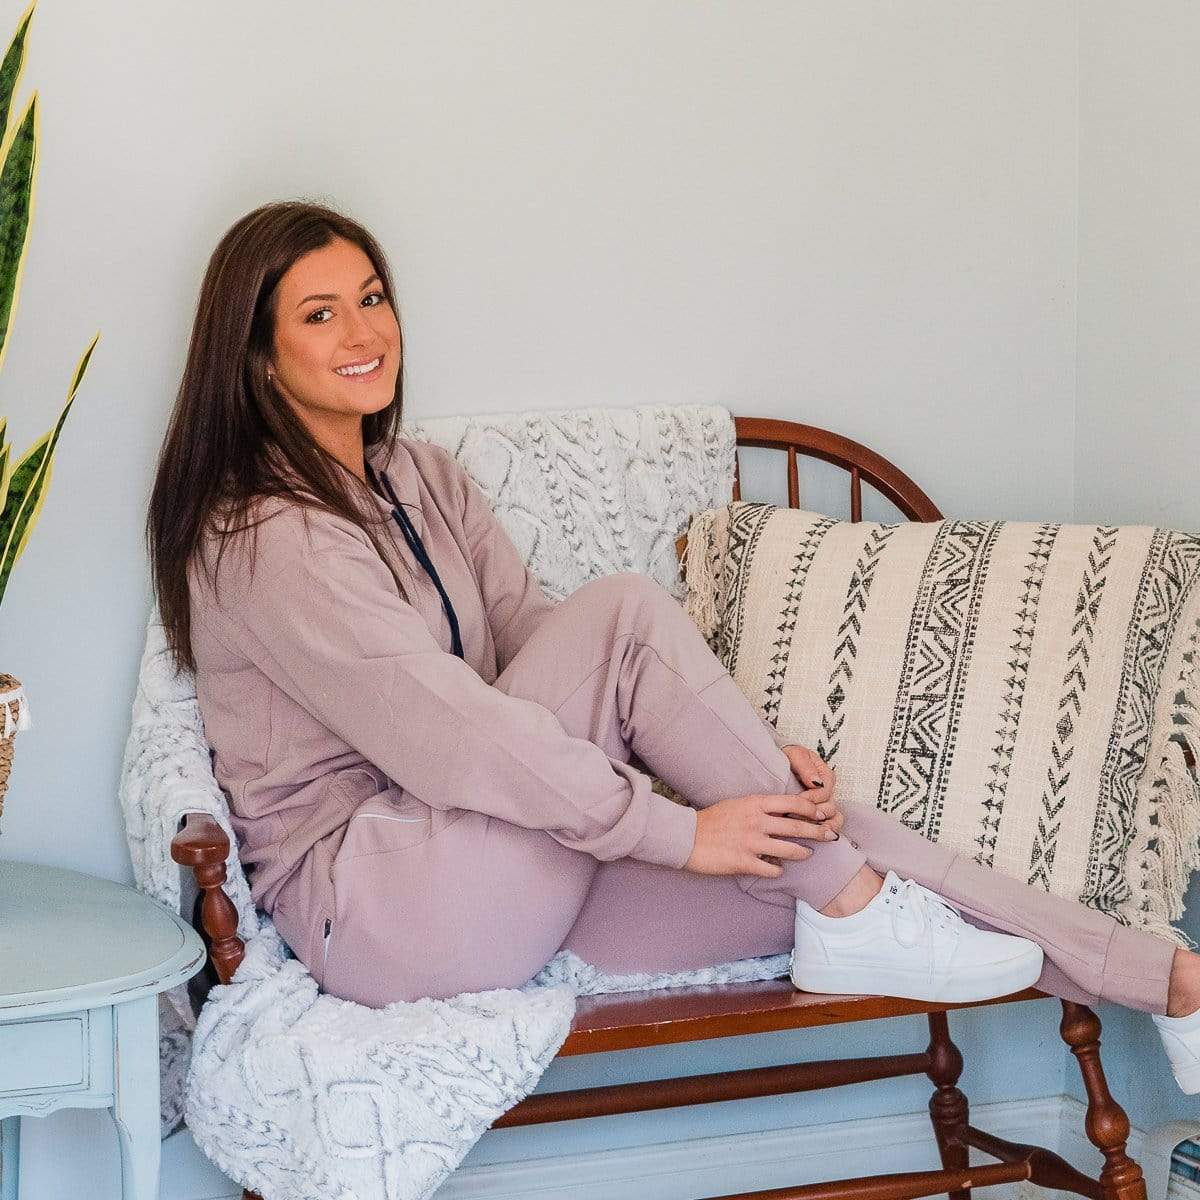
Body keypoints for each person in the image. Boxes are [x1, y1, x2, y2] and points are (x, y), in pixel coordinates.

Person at [147, 200, 1200, 1095]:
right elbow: (455, 736)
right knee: (626, 612)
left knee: (804, 850)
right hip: (383, 913)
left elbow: (527, 642)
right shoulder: (261, 536)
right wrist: (677, 829)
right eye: (320, 314)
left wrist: (738, 754)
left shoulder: (421, 477)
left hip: (506, 862)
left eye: (371, 298)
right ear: (257, 355)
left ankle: (1167, 984)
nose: (363, 329)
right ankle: (858, 905)